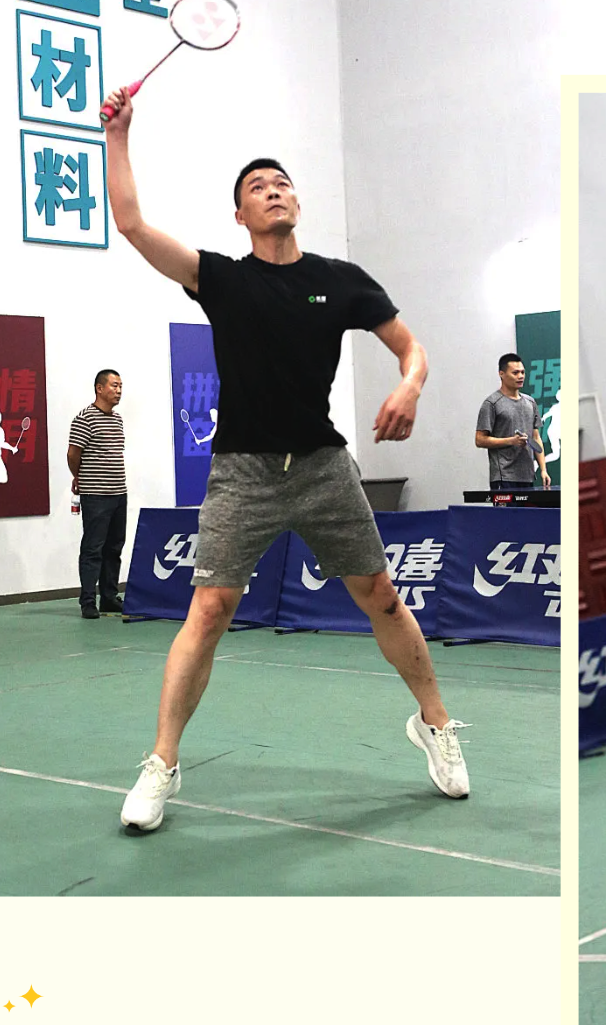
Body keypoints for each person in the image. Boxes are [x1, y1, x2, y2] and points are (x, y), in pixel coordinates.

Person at [101, 84, 469, 832]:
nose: (272, 191)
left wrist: (410, 385)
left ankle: (435, 723)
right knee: (210, 609)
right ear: (240, 215)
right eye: (256, 188)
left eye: (281, 183)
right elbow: (132, 224)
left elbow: (411, 347)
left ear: (297, 201)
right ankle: (162, 763)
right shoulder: (222, 278)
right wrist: (118, 135)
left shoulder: (340, 281)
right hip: (242, 471)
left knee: (382, 596)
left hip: (324, 467)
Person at [67, 370, 127, 619]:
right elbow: (73, 454)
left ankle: (109, 598)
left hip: (119, 492)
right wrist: (79, 477)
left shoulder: (118, 419)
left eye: (121, 386)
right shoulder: (84, 419)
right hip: (96, 495)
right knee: (93, 548)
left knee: (114, 547)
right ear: (99, 388)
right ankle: (88, 601)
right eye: (114, 385)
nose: (119, 391)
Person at [475, 354, 551, 489]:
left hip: (527, 476)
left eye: (522, 372)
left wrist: (543, 469)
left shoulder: (530, 403)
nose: (520, 376)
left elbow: (536, 437)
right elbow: (480, 440)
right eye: (515, 373)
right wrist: (511, 441)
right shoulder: (491, 403)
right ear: (501, 374)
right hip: (503, 477)